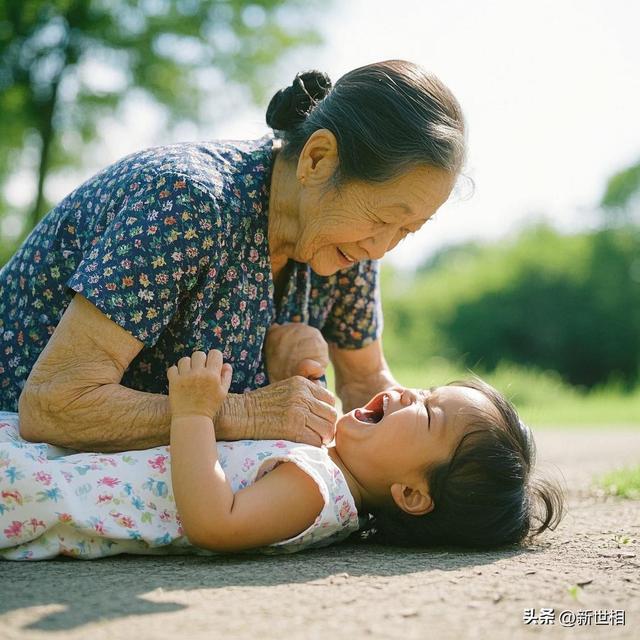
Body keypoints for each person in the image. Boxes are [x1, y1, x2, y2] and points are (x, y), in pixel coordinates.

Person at [0, 59, 464, 452]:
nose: (381, 246)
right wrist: (245, 411)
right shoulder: (187, 202)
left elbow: (366, 382)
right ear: (317, 160)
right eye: (383, 218)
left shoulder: (347, 245)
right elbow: (52, 404)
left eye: (408, 229)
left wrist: (445, 458)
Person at [0, 349, 563, 560]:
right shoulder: (323, 460)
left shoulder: (315, 492)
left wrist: (193, 412)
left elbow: (215, 522)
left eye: (429, 412)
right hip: (61, 462)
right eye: (429, 389)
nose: (410, 392)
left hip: (54, 493)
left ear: (412, 494)